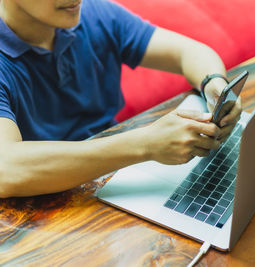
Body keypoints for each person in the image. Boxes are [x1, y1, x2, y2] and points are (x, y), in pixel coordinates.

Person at [0, 0, 242, 197]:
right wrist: (145, 144)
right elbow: (7, 168)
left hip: (115, 175)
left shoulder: (93, 14)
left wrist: (214, 85)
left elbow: (187, 52)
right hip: (41, 207)